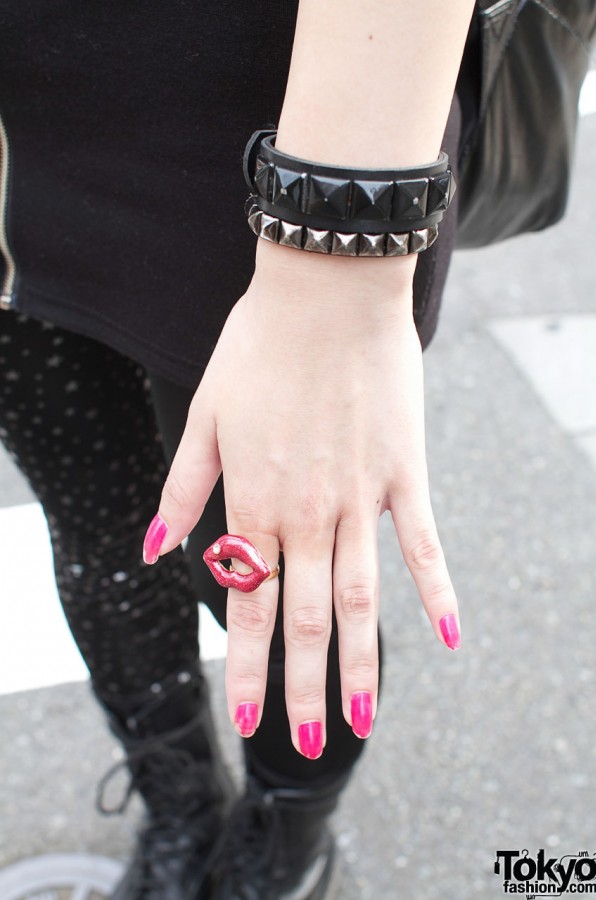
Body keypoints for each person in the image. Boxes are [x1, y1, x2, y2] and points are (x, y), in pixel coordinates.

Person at [0, 2, 478, 897]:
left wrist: (340, 247)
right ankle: (180, 801)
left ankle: (288, 832)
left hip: (250, 134)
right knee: (99, 524)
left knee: (286, 565)